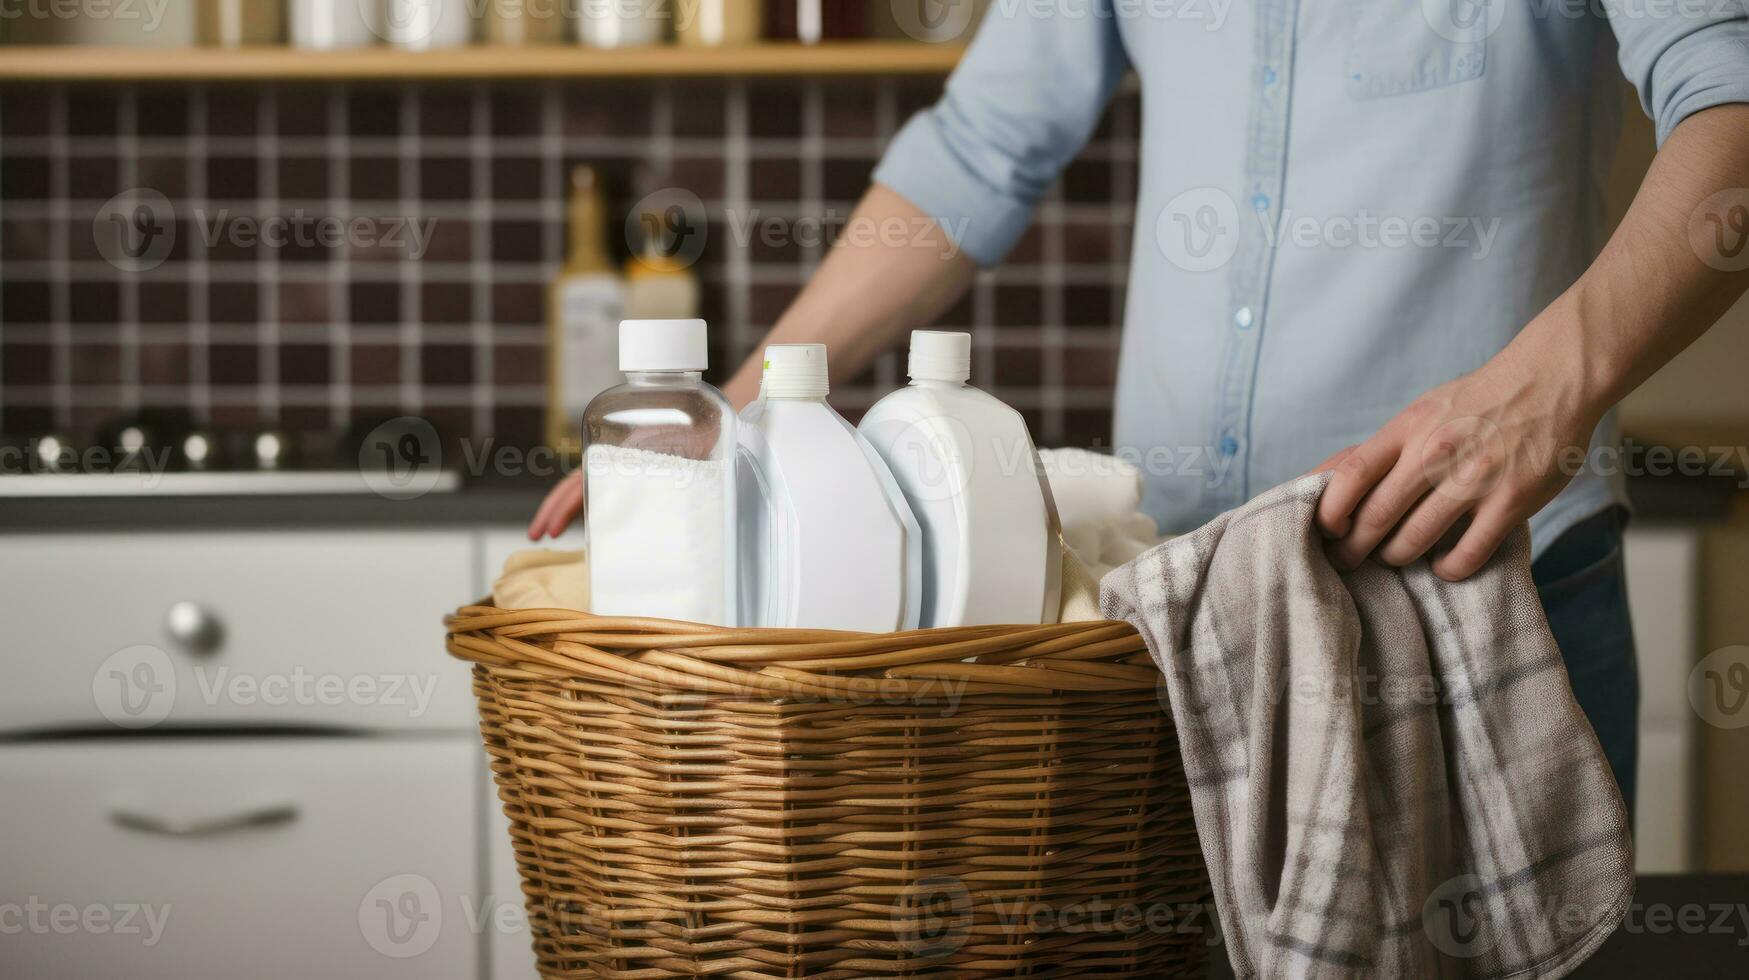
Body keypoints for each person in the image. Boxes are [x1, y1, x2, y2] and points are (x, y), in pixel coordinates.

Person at [531, 4, 1749, 813]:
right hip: (1181, 598)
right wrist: (732, 412)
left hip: (1478, 590)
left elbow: (1733, 102)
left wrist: (1547, 392)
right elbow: (983, 145)